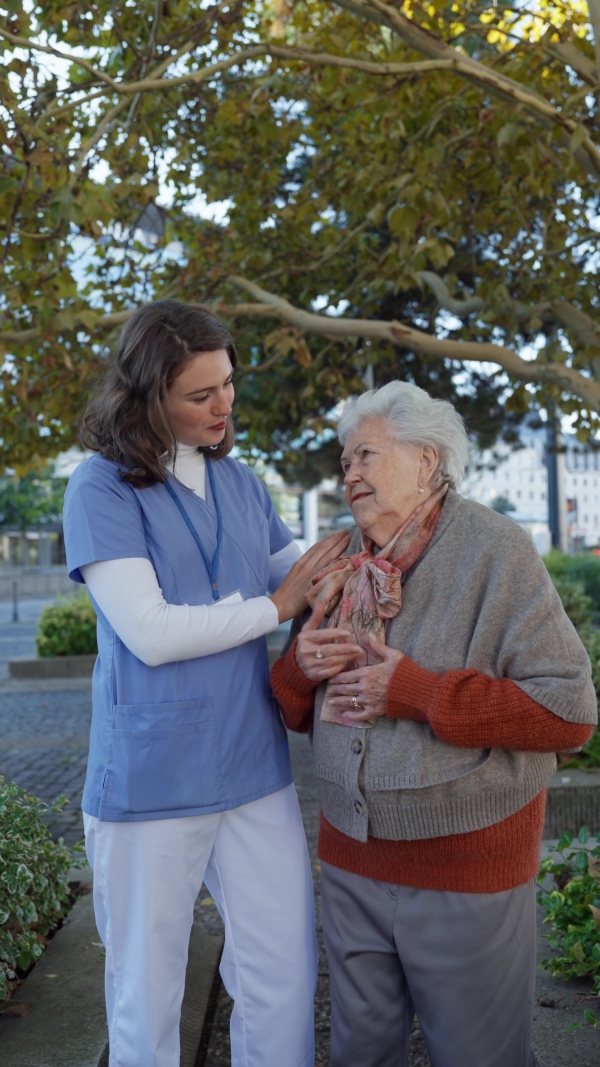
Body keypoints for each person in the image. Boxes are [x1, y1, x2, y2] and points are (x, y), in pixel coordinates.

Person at [271, 380, 597, 1067]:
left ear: (427, 459)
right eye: (344, 459)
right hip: (352, 859)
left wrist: (415, 690)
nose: (349, 472)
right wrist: (300, 664)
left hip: (466, 867)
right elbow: (293, 709)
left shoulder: (494, 549)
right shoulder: (337, 562)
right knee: (361, 1055)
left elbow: (568, 714)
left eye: (365, 454)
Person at [62, 299, 349, 1067]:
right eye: (200, 394)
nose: (224, 406)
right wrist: (276, 607)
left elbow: (300, 577)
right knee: (146, 990)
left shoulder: (242, 482)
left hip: (251, 764)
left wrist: (361, 569)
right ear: (149, 394)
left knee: (282, 969)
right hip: (150, 778)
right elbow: (151, 634)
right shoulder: (101, 488)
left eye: (227, 384)